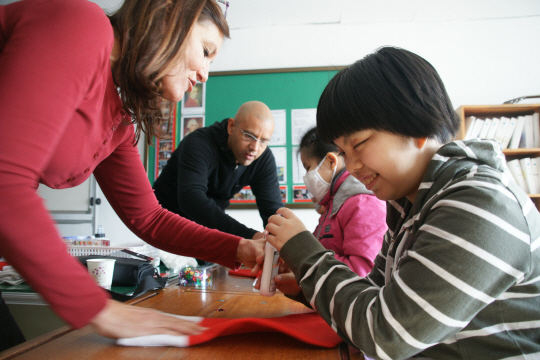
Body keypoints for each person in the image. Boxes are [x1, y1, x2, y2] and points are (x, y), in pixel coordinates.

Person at [0, 0, 265, 351]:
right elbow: (5, 182)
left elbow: (149, 218)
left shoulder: (119, 121)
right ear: (168, 14)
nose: (204, 74)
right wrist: (100, 311)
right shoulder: (83, 25)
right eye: (205, 51)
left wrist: (239, 248)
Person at [264, 47, 540, 359]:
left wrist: (305, 253)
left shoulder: (479, 202)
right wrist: (304, 284)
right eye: (343, 151)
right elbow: (373, 295)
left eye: (359, 143)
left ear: (416, 124)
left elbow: (387, 334)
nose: (352, 165)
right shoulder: (409, 204)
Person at [153, 101, 283, 240]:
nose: (255, 148)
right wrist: (250, 237)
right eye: (249, 136)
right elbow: (192, 199)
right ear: (231, 127)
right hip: (163, 224)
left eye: (263, 141)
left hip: (206, 229)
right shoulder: (199, 144)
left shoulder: (262, 158)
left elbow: (273, 212)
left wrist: (281, 243)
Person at [299, 127, 387, 276]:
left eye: (308, 167)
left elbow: (362, 273)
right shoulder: (334, 203)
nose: (306, 176)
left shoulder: (362, 203)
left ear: (331, 161)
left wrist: (303, 257)